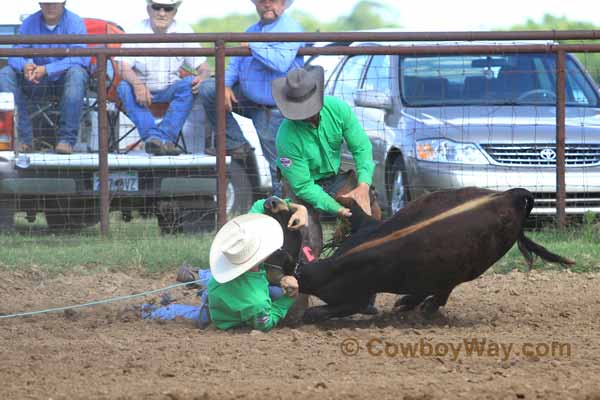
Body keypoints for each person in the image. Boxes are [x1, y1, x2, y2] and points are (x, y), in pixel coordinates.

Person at [273, 65, 379, 314]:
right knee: (306, 239)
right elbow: (303, 186)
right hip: (303, 187)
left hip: (334, 177)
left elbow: (361, 147)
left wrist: (363, 185)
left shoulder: (338, 110)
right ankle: (297, 306)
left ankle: (365, 295)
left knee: (371, 216)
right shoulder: (286, 136)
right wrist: (339, 209)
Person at [144, 199, 308, 331]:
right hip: (216, 312)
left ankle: (198, 278)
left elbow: (260, 205)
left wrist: (296, 207)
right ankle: (149, 312)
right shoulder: (256, 302)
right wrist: (288, 298)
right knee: (188, 314)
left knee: (269, 290)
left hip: (221, 288)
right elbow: (265, 323)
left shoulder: (236, 253)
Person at [199, 0, 304, 193]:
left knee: (278, 162)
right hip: (250, 100)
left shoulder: (291, 28)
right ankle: (235, 142)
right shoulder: (252, 30)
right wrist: (226, 85)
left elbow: (281, 62)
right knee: (209, 89)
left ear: (283, 4)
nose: (267, 5)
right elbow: (236, 63)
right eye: (263, 1)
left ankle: (285, 207)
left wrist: (253, 45)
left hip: (276, 107)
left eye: (273, 1)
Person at [116, 0, 210, 156]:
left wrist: (202, 77)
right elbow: (123, 67)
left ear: (175, 12)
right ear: (148, 9)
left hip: (170, 89)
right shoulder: (136, 29)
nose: (161, 13)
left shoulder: (184, 30)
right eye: (156, 7)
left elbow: (204, 68)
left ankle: (161, 138)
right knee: (124, 87)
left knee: (190, 84)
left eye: (167, 8)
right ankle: (158, 139)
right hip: (141, 90)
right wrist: (137, 84)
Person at [0, 1, 90, 155]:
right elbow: (15, 54)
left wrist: (47, 69)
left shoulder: (75, 22)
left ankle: (66, 140)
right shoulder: (29, 22)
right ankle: (22, 138)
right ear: (40, 4)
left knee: (76, 73)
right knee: (5, 73)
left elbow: (81, 58)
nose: (50, 6)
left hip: (64, 83)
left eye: (55, 3)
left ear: (63, 3)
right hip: (36, 81)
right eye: (47, 3)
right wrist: (25, 66)